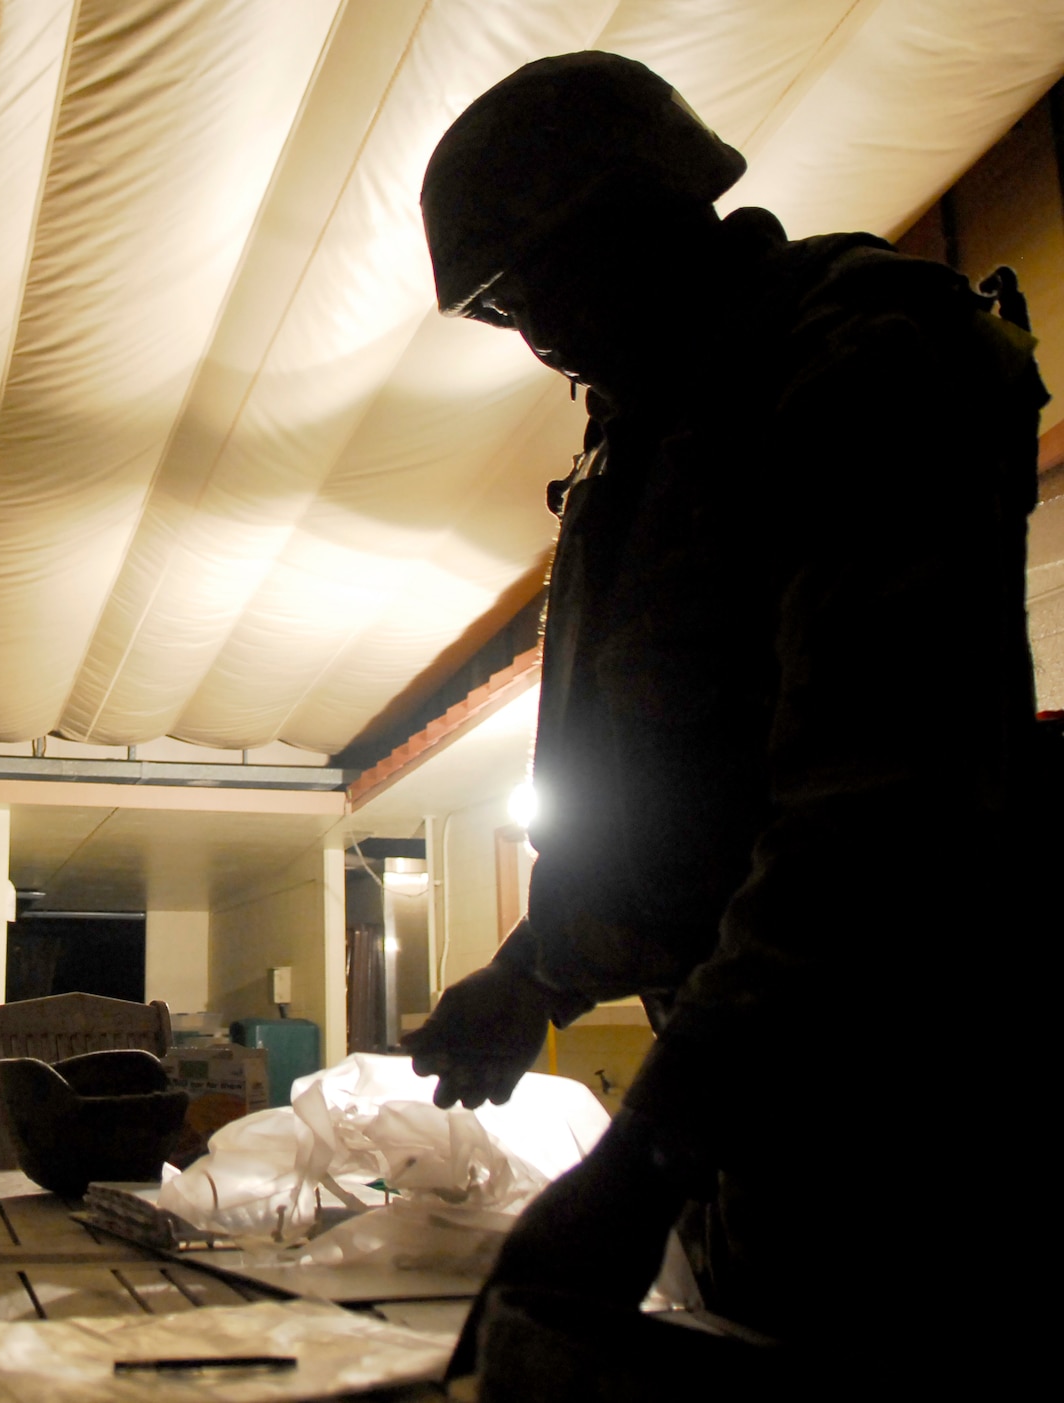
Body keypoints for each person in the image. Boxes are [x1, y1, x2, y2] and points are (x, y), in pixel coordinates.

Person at [404, 51, 1049, 1394]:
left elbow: (872, 829)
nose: (534, 337)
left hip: (926, 1135)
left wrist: (640, 1162)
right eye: (499, 306)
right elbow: (668, 802)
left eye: (541, 280)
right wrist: (536, 973)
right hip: (765, 1147)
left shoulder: (861, 364)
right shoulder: (641, 445)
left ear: (651, 210)